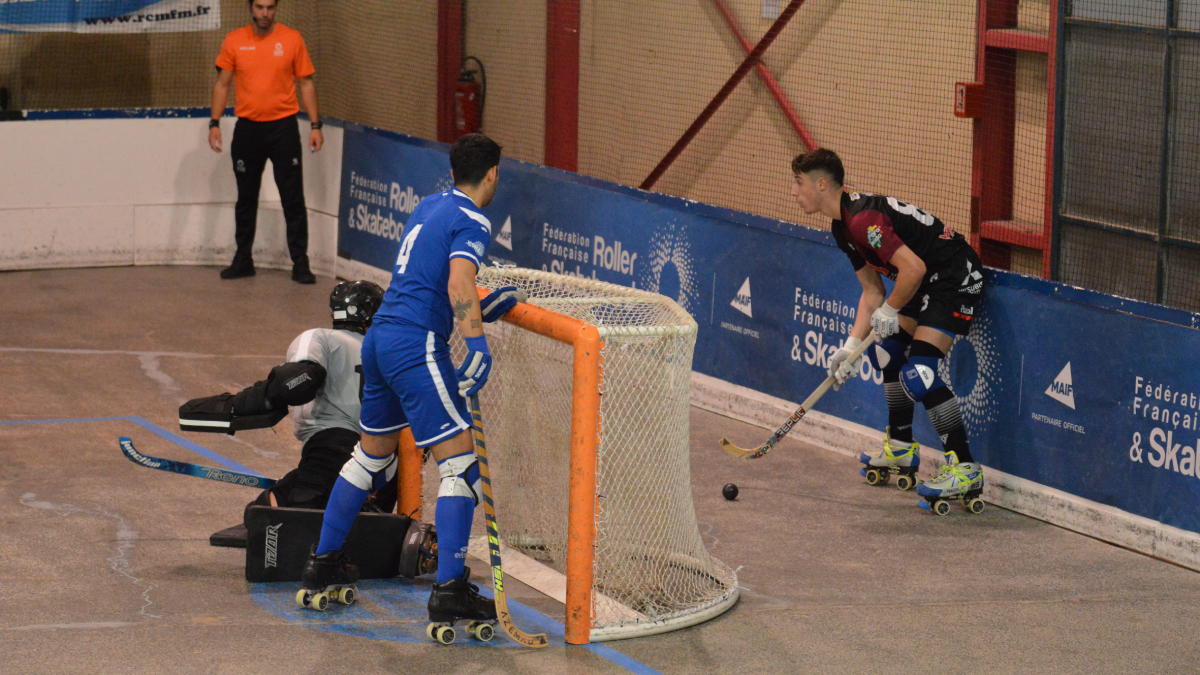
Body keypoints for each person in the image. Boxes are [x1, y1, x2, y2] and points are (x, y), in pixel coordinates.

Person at [298, 134, 526, 629]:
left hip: (381, 339)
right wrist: (478, 344)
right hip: (414, 345)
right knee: (460, 466)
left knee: (369, 457)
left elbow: (429, 280)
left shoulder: (429, 206)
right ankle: (450, 591)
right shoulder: (474, 219)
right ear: (492, 174)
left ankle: (324, 561)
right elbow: (457, 282)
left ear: (453, 172)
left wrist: (481, 306)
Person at [790, 148, 985, 512]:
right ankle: (900, 447)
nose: (794, 191)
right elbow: (872, 292)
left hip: (953, 274)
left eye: (799, 183)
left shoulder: (863, 220)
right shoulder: (841, 227)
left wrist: (891, 310)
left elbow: (913, 269)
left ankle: (965, 469)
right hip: (925, 279)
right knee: (888, 352)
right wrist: (850, 348)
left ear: (821, 184)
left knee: (920, 373)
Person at [180, 281, 395, 546]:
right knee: (280, 505)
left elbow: (295, 382)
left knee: (265, 516)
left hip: (332, 448)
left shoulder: (323, 338)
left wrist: (233, 406)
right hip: (383, 458)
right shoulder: (386, 353)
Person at [208, 0, 322, 284]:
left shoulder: (292, 39)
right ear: (250, 8)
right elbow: (222, 84)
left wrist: (315, 125)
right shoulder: (234, 40)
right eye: (259, 7)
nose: (264, 13)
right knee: (246, 198)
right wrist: (214, 123)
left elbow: (306, 83)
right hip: (248, 131)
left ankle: (300, 263)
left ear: (276, 8)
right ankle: (243, 260)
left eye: (270, 7)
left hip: (284, 130)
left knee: (292, 198)